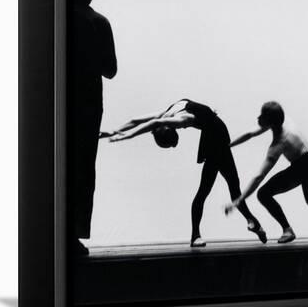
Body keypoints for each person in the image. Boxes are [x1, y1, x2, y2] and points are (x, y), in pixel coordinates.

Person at [104, 99, 267, 247]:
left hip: (217, 139)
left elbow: (148, 122)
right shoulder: (174, 115)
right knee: (221, 190)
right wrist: (118, 132)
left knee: (220, 190)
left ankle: (247, 223)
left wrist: (122, 134)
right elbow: (143, 122)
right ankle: (248, 223)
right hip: (216, 139)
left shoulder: (175, 117)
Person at [224, 102, 308, 243]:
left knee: (263, 194)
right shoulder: (283, 120)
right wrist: (228, 146)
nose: (258, 117)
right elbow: (250, 134)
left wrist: (238, 200)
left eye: (262, 115)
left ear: (270, 122)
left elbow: (259, 176)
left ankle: (287, 230)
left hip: (302, 167)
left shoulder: (279, 143)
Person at [69, 0, 117, 255]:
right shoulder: (99, 22)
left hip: (59, 100)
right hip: (88, 104)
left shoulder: (57, 18)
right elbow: (110, 70)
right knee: (84, 169)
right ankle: (73, 235)